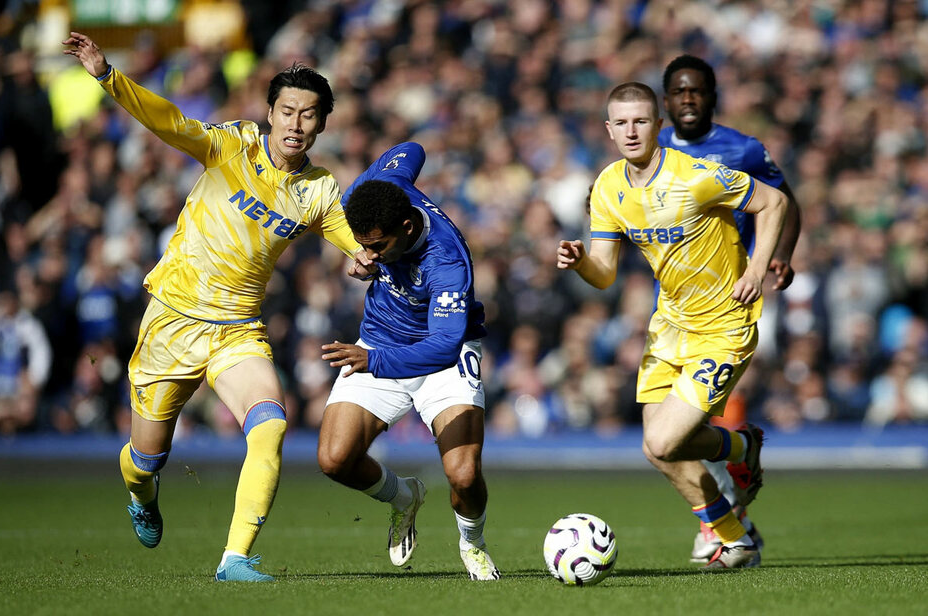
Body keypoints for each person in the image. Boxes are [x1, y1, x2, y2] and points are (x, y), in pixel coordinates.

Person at [63, 32, 372, 582]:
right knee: (145, 459)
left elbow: (352, 240)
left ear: (322, 124)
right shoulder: (233, 145)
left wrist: (362, 259)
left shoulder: (321, 190)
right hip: (173, 320)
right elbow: (172, 124)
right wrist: (108, 75)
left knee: (270, 425)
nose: (296, 125)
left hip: (237, 330)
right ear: (270, 114)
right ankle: (142, 491)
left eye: (309, 115)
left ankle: (236, 559)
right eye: (287, 111)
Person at [557, 82, 787, 569]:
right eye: (621, 123)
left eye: (641, 120)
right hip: (669, 328)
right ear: (608, 130)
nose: (631, 131)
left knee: (662, 441)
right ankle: (736, 534)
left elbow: (775, 204)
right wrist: (580, 262)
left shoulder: (696, 175)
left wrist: (756, 269)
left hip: (724, 323)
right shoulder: (607, 187)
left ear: (658, 124)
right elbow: (604, 272)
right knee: (659, 448)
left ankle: (740, 460)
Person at [316, 142, 500, 581]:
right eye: (364, 246)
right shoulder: (378, 191)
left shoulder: (447, 262)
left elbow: (442, 347)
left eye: (377, 246)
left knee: (464, 474)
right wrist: (359, 256)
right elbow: (412, 149)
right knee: (334, 460)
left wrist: (373, 360)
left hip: (441, 356)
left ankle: (472, 543)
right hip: (381, 337)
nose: (370, 254)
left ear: (405, 225)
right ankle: (403, 498)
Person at [659, 54, 803, 563]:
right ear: (667, 100)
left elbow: (787, 202)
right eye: (679, 91)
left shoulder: (742, 149)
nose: (688, 99)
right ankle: (738, 483)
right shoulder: (650, 152)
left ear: (712, 96)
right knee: (668, 435)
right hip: (671, 310)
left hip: (728, 302)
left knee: (674, 433)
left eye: (697, 90)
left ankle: (720, 526)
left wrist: (779, 256)